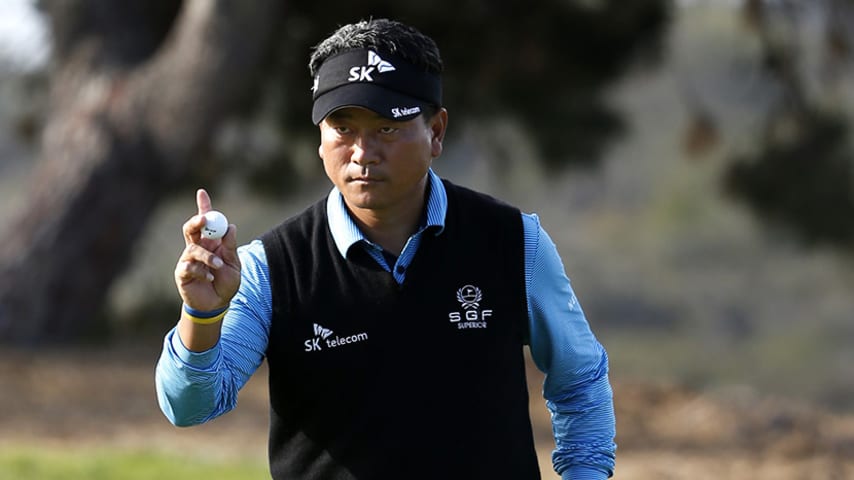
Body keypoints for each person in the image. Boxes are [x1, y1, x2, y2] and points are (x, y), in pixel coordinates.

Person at [156, 18, 616, 480]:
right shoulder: (271, 268)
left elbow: (580, 382)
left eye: (387, 129)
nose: (362, 152)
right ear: (320, 138)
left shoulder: (515, 242)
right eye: (343, 127)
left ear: (435, 131)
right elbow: (189, 406)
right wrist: (201, 315)